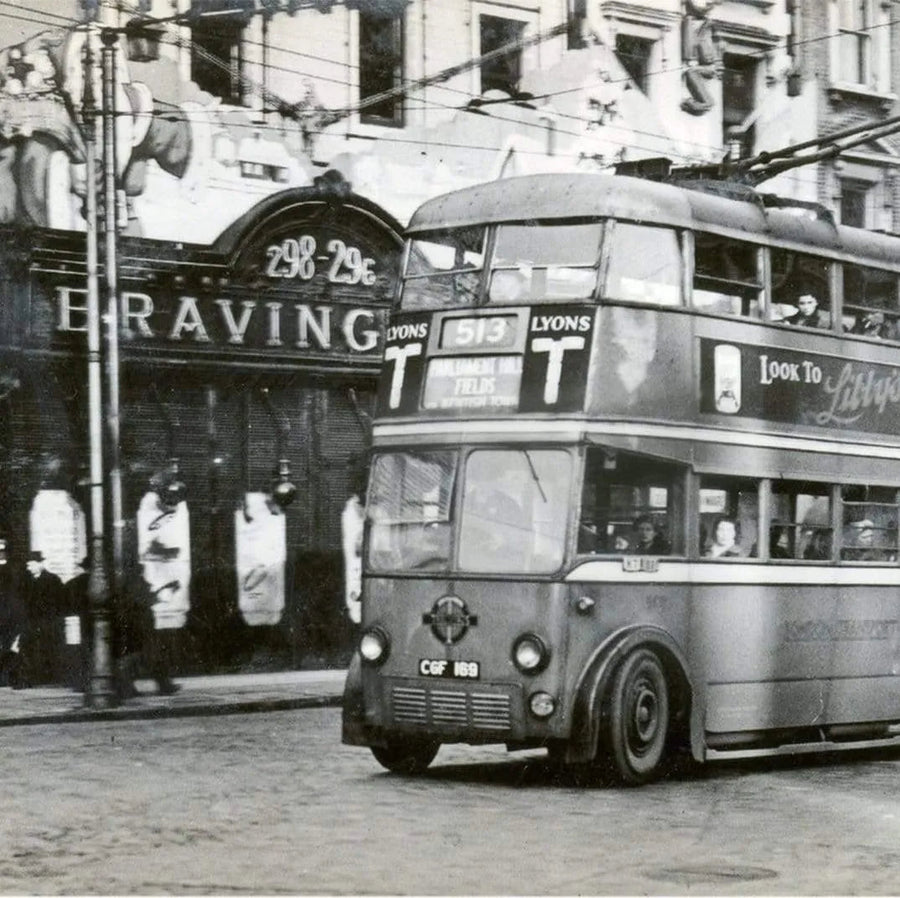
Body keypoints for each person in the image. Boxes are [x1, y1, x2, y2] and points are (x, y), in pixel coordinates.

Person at [20, 550, 64, 685]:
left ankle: (51, 677)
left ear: (40, 564)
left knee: (49, 648)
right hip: (31, 622)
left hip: (48, 622)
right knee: (30, 648)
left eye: (31, 565)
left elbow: (59, 602)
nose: (28, 568)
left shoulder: (53, 580)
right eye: (27, 565)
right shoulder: (26, 581)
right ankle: (34, 677)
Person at [0, 539, 26, 688]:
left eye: (2, 551)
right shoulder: (15, 569)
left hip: (10, 613)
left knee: (11, 646)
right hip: (10, 613)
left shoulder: (14, 570)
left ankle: (10, 677)